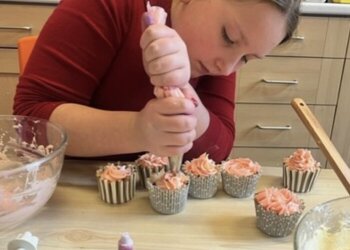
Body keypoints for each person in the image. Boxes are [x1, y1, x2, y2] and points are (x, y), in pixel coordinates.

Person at [13, 0, 301, 163]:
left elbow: (219, 148)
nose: (226, 68)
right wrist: (138, 130)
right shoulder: (109, 6)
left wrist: (186, 97)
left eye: (247, 59)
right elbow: (30, 122)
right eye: (228, 37)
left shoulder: (221, 60)